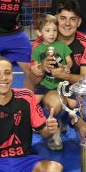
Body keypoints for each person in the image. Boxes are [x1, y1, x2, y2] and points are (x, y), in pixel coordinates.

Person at [30, 14, 73, 149]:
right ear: (39, 32)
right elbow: (35, 66)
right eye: (47, 30)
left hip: (60, 84)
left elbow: (69, 61)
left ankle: (64, 121)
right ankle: (38, 125)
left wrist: (66, 67)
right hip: (45, 84)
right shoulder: (37, 48)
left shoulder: (61, 46)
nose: (52, 34)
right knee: (31, 104)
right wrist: (35, 68)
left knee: (72, 104)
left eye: (54, 30)